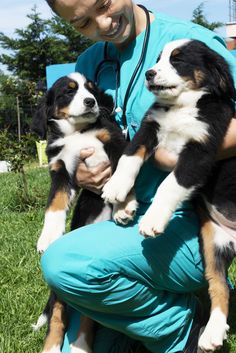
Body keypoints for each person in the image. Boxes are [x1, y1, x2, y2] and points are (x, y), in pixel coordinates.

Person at [41, 1, 236, 352]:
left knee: (64, 264)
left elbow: (224, 110)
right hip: (121, 219)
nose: (103, 22)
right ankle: (148, 300)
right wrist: (84, 170)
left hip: (187, 221)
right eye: (83, 22)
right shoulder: (90, 63)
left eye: (104, 4)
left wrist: (171, 154)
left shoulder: (189, 41)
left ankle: (180, 324)